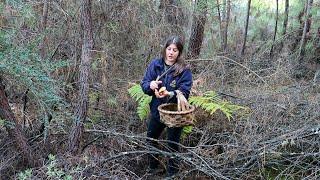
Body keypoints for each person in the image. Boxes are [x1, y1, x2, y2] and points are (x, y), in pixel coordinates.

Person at [140, 35, 192, 177]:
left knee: (172, 144)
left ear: (179, 52)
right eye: (169, 49)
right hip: (157, 110)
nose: (171, 53)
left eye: (175, 50)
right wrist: (150, 86)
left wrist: (170, 93)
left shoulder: (184, 69)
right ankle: (153, 167)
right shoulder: (155, 65)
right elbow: (144, 84)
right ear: (165, 50)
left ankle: (172, 173)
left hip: (175, 114)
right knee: (151, 138)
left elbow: (185, 91)